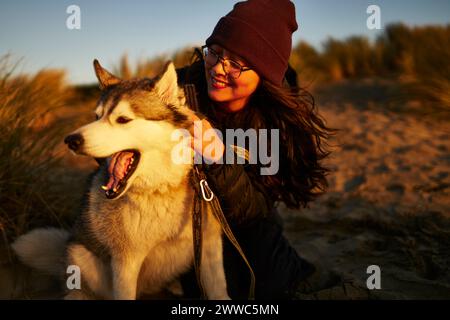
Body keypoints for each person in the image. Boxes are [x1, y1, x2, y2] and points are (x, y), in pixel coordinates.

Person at [177, 0, 337, 299]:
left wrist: (217, 157)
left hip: (247, 226)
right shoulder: (179, 88)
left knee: (266, 283)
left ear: (263, 73)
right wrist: (119, 156)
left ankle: (299, 272)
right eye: (216, 52)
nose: (219, 68)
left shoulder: (273, 124)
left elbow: (253, 210)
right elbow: (117, 123)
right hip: (180, 223)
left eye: (236, 63)